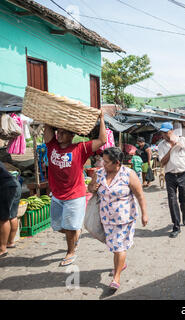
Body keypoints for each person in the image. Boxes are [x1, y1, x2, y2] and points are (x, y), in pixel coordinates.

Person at [44, 111, 107, 266]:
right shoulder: (51, 145)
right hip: (57, 195)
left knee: (70, 228)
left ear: (72, 136)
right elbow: (47, 126)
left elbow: (102, 140)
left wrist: (102, 119)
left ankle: (70, 252)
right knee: (58, 226)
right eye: (59, 132)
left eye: (64, 133)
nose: (59, 135)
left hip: (74, 195)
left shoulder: (80, 148)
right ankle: (75, 233)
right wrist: (49, 116)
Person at [88, 147, 148, 290]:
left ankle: (116, 278)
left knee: (119, 247)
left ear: (117, 163)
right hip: (106, 218)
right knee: (115, 247)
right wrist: (93, 187)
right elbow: (90, 188)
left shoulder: (128, 174)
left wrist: (144, 214)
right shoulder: (99, 173)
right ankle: (121, 264)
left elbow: (140, 195)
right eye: (103, 160)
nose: (103, 163)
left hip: (124, 218)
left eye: (107, 162)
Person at [157, 122, 185, 238]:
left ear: (171, 131)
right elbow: (162, 162)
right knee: (172, 201)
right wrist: (171, 148)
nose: (164, 135)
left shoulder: (182, 140)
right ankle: (176, 226)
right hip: (170, 175)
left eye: (166, 132)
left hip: (184, 174)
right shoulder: (161, 145)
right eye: (162, 133)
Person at [0, 161, 21, 258]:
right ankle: (10, 242)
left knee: (3, 218)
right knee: (12, 214)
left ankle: (2, 249)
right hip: (15, 184)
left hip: (5, 187)